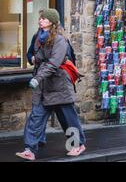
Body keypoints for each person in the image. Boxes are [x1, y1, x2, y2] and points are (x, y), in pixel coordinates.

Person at [16, 9, 86, 161]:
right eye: (40, 18)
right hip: (44, 86)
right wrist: (33, 59)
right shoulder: (39, 38)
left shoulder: (60, 40)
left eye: (43, 18)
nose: (40, 20)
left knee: (68, 119)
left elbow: (54, 63)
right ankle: (30, 150)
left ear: (51, 22)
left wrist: (37, 78)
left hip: (59, 85)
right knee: (36, 118)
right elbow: (36, 56)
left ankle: (77, 145)